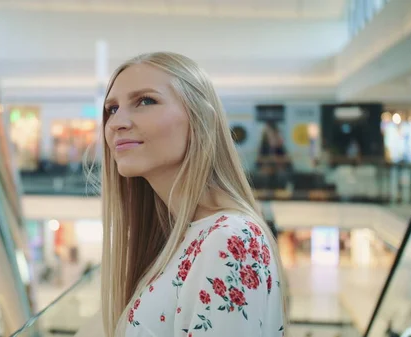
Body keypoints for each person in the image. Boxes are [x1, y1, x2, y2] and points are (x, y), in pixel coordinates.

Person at [79, 52, 286, 337]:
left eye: (145, 101)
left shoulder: (230, 237)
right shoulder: (177, 238)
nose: (116, 123)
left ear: (200, 118)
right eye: (112, 109)